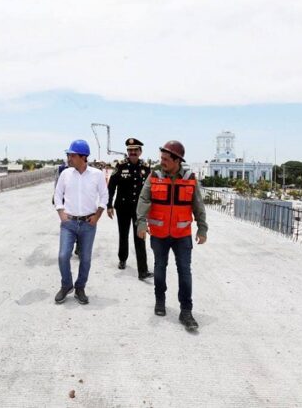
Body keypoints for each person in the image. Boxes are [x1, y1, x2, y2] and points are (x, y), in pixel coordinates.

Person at [136, 140, 208, 331]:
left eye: (166, 159)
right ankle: (160, 300)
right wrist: (141, 223)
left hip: (182, 234)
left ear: (177, 160)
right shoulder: (154, 175)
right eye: (161, 158)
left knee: (185, 271)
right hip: (159, 234)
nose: (162, 162)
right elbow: (144, 199)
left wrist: (202, 228)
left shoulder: (190, 178)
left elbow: (198, 205)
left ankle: (186, 311)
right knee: (160, 268)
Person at [53, 139, 108, 305]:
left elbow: (104, 196)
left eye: (72, 155)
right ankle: (66, 284)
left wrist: (97, 215)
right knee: (63, 256)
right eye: (68, 155)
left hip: (88, 224)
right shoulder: (65, 174)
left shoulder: (97, 175)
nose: (69, 158)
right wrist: (61, 212)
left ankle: (80, 287)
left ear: (83, 157)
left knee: (85, 258)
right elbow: (57, 194)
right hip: (68, 223)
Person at [107, 137, 153, 280]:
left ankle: (143, 271)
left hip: (139, 209)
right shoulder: (120, 166)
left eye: (135, 150)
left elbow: (151, 190)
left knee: (140, 237)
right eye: (130, 150)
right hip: (122, 207)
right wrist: (109, 205)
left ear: (140, 151)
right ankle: (122, 258)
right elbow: (111, 186)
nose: (132, 153)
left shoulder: (146, 167)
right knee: (123, 234)